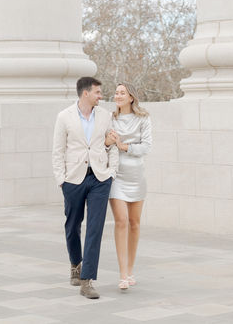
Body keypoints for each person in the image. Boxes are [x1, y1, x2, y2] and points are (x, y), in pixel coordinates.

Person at [52, 76, 119, 300]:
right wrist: (61, 179)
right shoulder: (64, 117)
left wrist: (112, 172)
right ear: (85, 94)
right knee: (72, 226)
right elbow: (57, 150)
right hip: (73, 179)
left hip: (100, 179)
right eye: (98, 92)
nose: (101, 96)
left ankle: (87, 280)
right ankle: (75, 264)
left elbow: (113, 145)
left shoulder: (106, 116)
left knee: (95, 228)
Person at [105, 82, 152, 291]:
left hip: (137, 175)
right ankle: (122, 274)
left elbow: (147, 146)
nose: (118, 96)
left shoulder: (143, 118)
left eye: (122, 93)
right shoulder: (109, 118)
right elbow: (102, 142)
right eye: (116, 93)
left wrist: (125, 146)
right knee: (121, 221)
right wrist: (108, 141)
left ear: (131, 97)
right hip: (116, 175)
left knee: (134, 223)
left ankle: (131, 270)